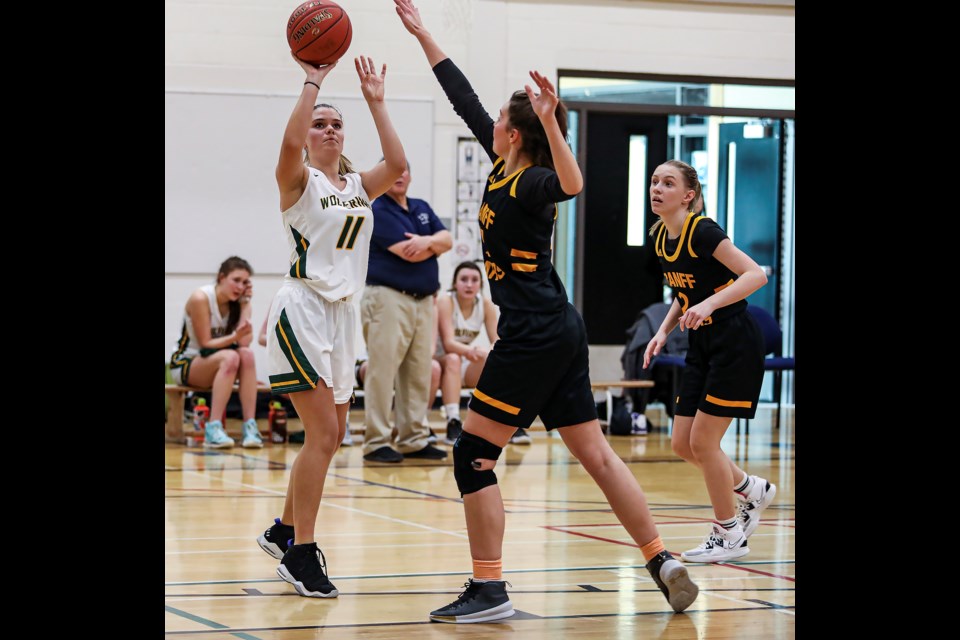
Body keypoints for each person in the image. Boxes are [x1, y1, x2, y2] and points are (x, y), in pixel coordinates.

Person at [393, 0, 699, 622]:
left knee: (471, 454)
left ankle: (489, 589)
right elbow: (462, 97)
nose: (493, 123)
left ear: (514, 133)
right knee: (597, 456)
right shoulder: (502, 162)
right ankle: (661, 558)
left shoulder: (532, 181)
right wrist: (426, 35)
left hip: (534, 334)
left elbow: (574, 183)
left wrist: (553, 121)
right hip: (559, 328)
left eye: (504, 121)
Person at [255, 53, 407, 599]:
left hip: (345, 316)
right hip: (303, 308)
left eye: (336, 123)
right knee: (321, 434)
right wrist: (313, 82)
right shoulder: (297, 180)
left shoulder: (357, 187)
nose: (329, 129)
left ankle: (283, 529)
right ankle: (301, 554)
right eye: (320, 123)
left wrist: (376, 102)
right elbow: (290, 144)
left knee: (335, 435)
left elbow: (396, 160)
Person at [642, 159, 776, 563]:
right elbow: (684, 295)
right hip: (701, 344)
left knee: (704, 442)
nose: (657, 188)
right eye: (654, 181)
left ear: (689, 196)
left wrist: (709, 303)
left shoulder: (704, 230)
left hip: (735, 342)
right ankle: (752, 489)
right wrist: (663, 331)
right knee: (683, 443)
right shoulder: (662, 237)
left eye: (668, 183)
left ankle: (729, 533)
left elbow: (756, 275)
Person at [360, 159, 453, 463]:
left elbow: (448, 240)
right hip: (388, 298)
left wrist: (429, 240)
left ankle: (413, 437)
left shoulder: (421, 206)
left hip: (423, 300)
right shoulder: (378, 210)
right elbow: (408, 254)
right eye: (392, 171)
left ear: (410, 175)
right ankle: (376, 441)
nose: (399, 176)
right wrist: (433, 245)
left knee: (418, 372)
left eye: (403, 170)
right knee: (383, 371)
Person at [169, 256, 262, 449]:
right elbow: (206, 344)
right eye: (235, 280)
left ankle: (250, 427)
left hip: (220, 364)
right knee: (231, 356)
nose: (240, 286)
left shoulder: (240, 303)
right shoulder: (201, 298)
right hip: (187, 363)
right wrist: (235, 337)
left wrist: (245, 306)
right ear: (221, 278)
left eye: (245, 282)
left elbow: (244, 343)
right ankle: (213, 428)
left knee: (246, 355)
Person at [434, 261, 503, 445]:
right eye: (463, 279)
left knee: (495, 360)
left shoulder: (486, 304)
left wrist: (485, 352)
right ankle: (453, 420)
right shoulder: (446, 301)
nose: (469, 284)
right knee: (453, 358)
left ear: (480, 284)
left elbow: (497, 341)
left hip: (461, 362)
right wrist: (472, 351)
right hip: (438, 362)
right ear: (455, 283)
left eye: (474, 280)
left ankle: (505, 420)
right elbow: (448, 344)